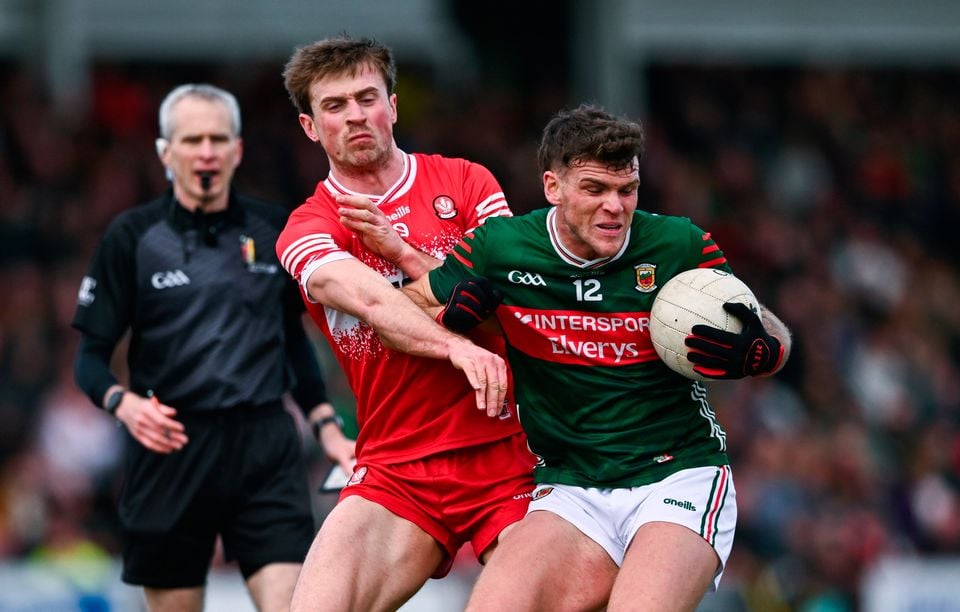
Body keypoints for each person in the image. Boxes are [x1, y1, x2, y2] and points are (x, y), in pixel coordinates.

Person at [402, 104, 793, 611]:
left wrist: (765, 350)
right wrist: (449, 322)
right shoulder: (500, 248)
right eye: (594, 189)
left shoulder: (679, 244)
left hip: (677, 475)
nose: (614, 206)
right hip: (570, 484)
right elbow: (407, 306)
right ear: (553, 187)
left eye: (626, 190)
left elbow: (770, 331)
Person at [276, 35, 536, 611]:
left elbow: (511, 295)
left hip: (513, 450)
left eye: (367, 97)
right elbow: (372, 304)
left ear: (393, 104)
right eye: (334, 106)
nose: (355, 116)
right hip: (398, 466)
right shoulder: (306, 228)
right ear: (309, 127)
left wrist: (403, 254)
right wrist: (456, 345)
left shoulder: (467, 182)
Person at [71, 83, 354, 612]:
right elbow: (89, 358)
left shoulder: (274, 228)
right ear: (165, 152)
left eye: (218, 139)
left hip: (263, 445)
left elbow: (291, 339)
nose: (207, 151)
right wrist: (123, 404)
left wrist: (327, 427)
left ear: (237, 150)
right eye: (193, 139)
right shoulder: (131, 237)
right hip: (171, 445)